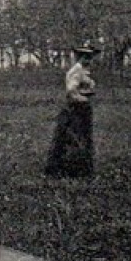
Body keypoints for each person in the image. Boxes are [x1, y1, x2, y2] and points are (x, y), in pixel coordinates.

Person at [45, 44, 99, 178]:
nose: (88, 60)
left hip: (83, 108)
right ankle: (68, 169)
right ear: (79, 57)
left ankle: (81, 168)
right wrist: (83, 99)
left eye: (89, 57)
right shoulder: (76, 71)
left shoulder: (84, 71)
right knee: (73, 137)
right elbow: (71, 91)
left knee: (83, 138)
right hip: (75, 109)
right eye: (85, 56)